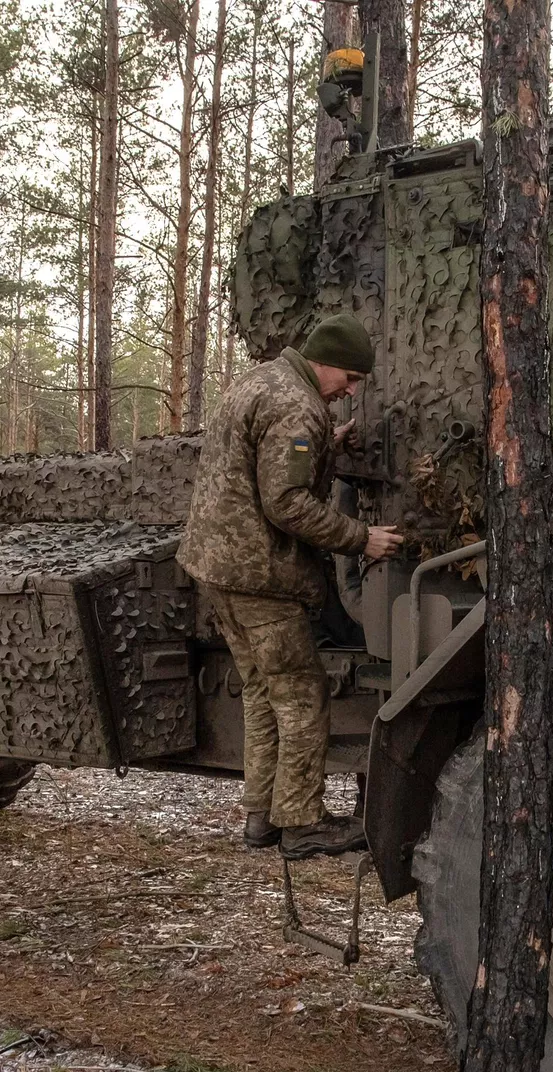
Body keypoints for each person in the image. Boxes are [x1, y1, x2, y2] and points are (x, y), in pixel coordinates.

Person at [177, 313, 404, 859]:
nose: (349, 392)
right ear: (323, 361)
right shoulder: (299, 407)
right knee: (302, 694)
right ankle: (303, 824)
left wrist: (329, 442)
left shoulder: (262, 380)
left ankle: (262, 816)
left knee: (260, 689)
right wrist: (360, 538)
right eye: (347, 379)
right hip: (261, 577)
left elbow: (270, 457)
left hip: (217, 567)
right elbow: (286, 503)